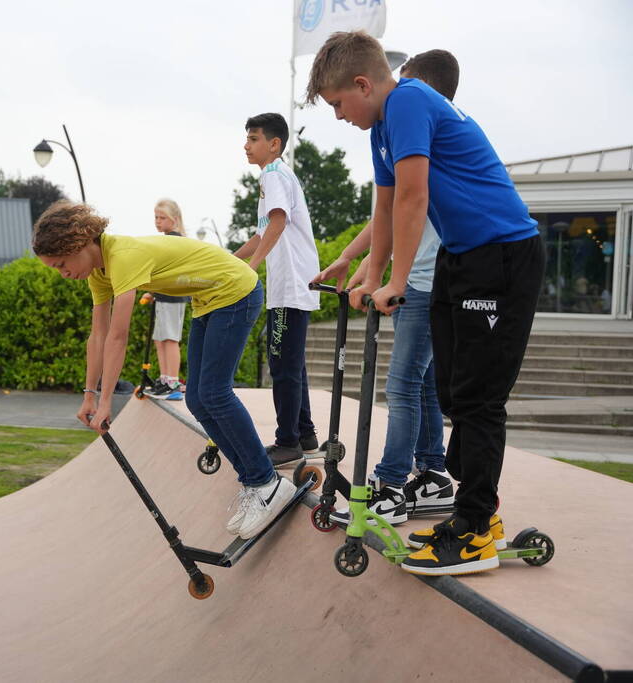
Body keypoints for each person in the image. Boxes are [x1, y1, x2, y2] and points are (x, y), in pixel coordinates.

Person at [308, 32, 545, 576]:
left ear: (363, 84)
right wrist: (369, 272)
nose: (339, 116)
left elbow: (417, 196)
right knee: (451, 392)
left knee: (480, 399)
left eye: (339, 103)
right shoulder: (381, 127)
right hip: (461, 260)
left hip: (503, 255)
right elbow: (387, 207)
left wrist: (392, 281)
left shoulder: (410, 100)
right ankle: (468, 505)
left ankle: (477, 527)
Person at [33, 200, 295, 539]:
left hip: (235, 290)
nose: (63, 273)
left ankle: (268, 484)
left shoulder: (122, 256)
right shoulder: (99, 272)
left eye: (62, 264)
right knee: (199, 401)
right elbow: (97, 335)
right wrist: (89, 395)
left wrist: (107, 402)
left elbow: (118, 335)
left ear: (79, 245)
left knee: (215, 393)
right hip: (209, 300)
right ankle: (256, 484)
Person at [316, 50, 460, 527]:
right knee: (419, 386)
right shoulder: (406, 133)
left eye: (405, 82)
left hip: (424, 283)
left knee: (402, 385)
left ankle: (392, 483)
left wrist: (389, 280)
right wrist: (355, 261)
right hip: (418, 281)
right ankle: (433, 473)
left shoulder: (416, 122)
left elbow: (406, 205)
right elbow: (384, 212)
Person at [233, 113, 320, 468]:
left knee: (283, 364)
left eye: (253, 139)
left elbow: (279, 221)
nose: (246, 145)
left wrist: (251, 270)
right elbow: (261, 233)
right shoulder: (275, 177)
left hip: (291, 284)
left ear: (274, 144)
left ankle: (288, 442)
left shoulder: (273, 174)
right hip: (291, 284)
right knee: (290, 362)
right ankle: (305, 433)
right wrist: (230, 261)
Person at [143, 198, 191, 401]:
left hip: (173, 296)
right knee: (159, 338)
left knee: (170, 338)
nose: (158, 221)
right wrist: (152, 292)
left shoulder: (175, 239)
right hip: (164, 295)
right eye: (156, 217)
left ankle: (173, 382)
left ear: (175, 219)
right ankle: (165, 378)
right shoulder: (167, 239)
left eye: (162, 217)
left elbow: (170, 270)